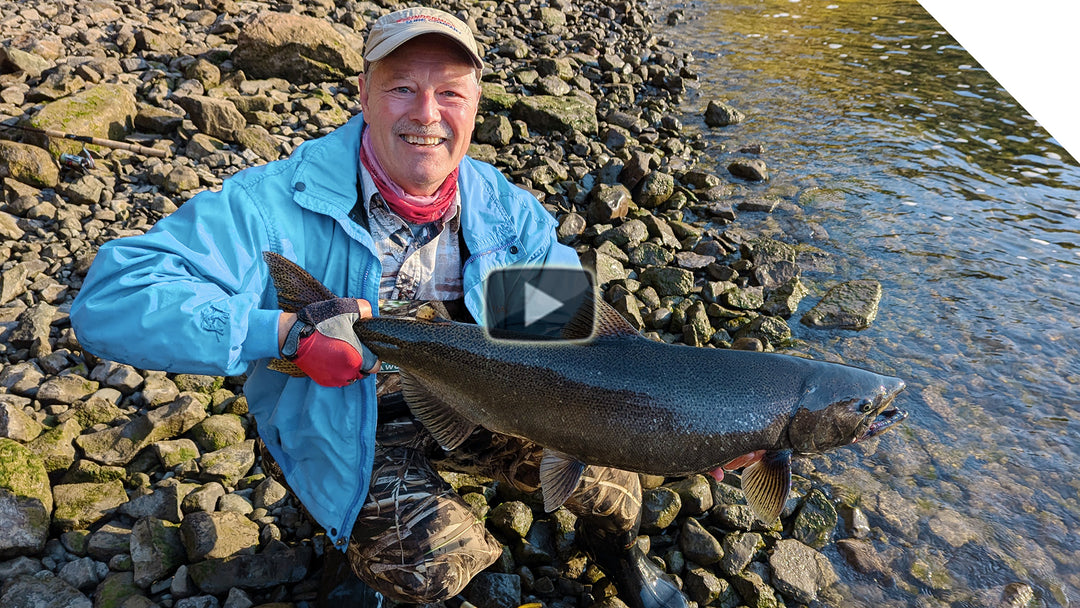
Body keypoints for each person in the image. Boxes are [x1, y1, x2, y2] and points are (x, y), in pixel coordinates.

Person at [71, 7, 689, 608]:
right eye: (401, 89)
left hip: (482, 401)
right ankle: (347, 542)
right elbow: (111, 298)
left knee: (615, 483)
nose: (427, 114)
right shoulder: (270, 206)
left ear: (476, 103)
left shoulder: (504, 212)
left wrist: (700, 423)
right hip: (338, 417)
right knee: (435, 563)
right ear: (363, 94)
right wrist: (284, 332)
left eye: (450, 93)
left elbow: (567, 333)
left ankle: (621, 559)